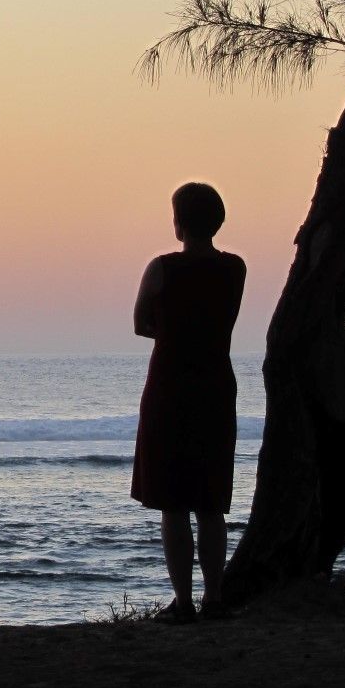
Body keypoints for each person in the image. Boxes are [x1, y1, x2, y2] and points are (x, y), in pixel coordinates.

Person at [132, 182, 246, 623]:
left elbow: (141, 323)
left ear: (178, 223)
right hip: (216, 385)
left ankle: (182, 603)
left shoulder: (161, 268)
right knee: (211, 500)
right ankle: (214, 598)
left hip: (169, 388)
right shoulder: (235, 268)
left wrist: (173, 332)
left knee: (174, 503)